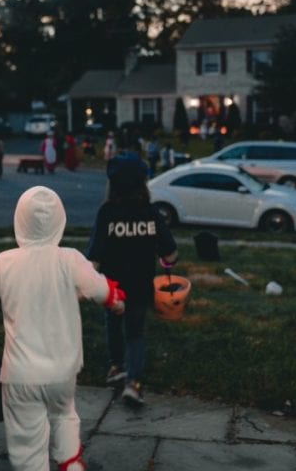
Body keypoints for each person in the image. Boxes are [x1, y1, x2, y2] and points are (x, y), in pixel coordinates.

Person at [0, 186, 125, 471]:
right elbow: (105, 293)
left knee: (27, 445)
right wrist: (118, 302)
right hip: (62, 372)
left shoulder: (4, 263)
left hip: (21, 376)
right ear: (60, 221)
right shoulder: (70, 259)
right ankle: (71, 464)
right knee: (64, 417)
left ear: (19, 221)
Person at [86, 152, 178, 407]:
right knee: (135, 332)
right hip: (140, 286)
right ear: (143, 184)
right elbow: (170, 252)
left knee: (113, 324)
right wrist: (166, 262)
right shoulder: (150, 213)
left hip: (112, 287)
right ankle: (133, 384)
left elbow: (93, 257)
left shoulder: (106, 213)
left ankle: (116, 367)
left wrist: (88, 283)